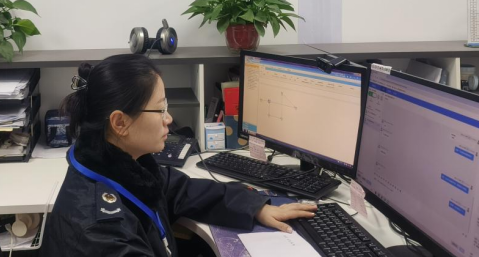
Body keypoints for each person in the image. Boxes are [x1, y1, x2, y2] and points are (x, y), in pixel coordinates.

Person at [42, 54, 316, 256]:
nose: (169, 119)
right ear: (120, 122)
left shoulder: (113, 162)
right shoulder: (100, 232)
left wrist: (255, 207)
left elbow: (178, 189)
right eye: (160, 109)